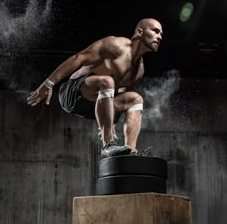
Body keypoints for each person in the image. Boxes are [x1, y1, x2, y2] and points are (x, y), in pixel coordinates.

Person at [27, 18, 163, 158]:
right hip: (73, 93)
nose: (159, 37)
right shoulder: (116, 45)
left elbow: (123, 93)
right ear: (140, 32)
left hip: (96, 104)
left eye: (161, 34)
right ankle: (107, 145)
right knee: (107, 81)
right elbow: (79, 58)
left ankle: (131, 153)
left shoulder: (139, 70)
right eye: (155, 31)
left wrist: (112, 122)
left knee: (135, 99)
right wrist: (49, 83)